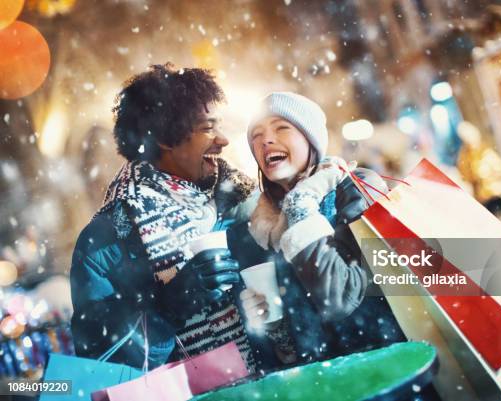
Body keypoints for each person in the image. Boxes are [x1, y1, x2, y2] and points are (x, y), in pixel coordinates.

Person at [70, 63, 258, 371]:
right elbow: (98, 362)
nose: (222, 140)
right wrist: (168, 307)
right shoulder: (105, 241)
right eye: (208, 127)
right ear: (165, 139)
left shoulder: (240, 201)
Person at [235, 92, 405, 366]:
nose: (265, 139)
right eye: (256, 134)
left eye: (282, 127)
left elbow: (340, 298)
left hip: (386, 371)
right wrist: (272, 327)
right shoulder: (263, 228)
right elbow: (295, 349)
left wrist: (300, 206)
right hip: (322, 384)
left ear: (311, 140)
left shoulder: (356, 188)